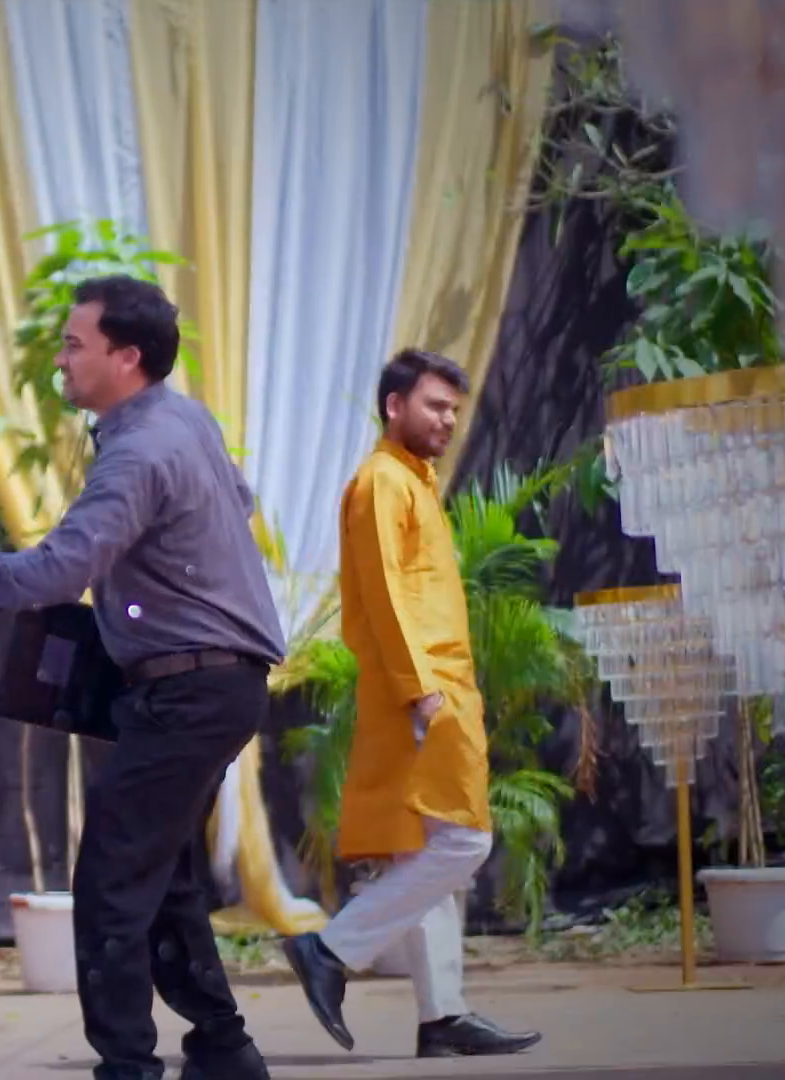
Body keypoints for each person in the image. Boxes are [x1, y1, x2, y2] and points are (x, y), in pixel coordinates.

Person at [0, 276, 285, 1080]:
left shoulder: (140, 451)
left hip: (188, 691)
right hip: (216, 684)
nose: (62, 360)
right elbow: (233, 506)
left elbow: (56, 572)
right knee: (164, 876)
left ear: (126, 357)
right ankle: (223, 1048)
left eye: (75, 345)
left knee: (110, 884)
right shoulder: (184, 420)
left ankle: (129, 1067)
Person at [281, 349, 541, 1059]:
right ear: (394, 406)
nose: (448, 420)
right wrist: (420, 692)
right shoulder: (382, 481)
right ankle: (330, 950)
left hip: (430, 688)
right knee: (464, 841)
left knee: (419, 855)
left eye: (454, 409)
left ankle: (442, 1018)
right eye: (435, 405)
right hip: (421, 693)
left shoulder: (414, 482)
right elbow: (387, 597)